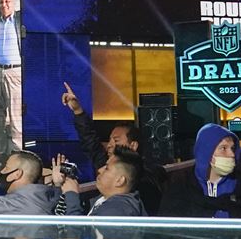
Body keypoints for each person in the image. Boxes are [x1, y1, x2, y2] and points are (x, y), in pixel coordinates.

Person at [60, 82, 167, 214]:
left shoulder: (145, 182)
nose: (109, 145)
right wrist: (78, 111)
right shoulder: (112, 165)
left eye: (116, 140)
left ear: (133, 145)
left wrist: (72, 197)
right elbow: (91, 144)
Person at [158, 123, 241, 218]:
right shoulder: (181, 188)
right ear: (206, 153)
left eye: (232, 148)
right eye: (223, 148)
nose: (232, 154)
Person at [57, 147, 147, 216]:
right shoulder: (101, 200)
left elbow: (76, 234)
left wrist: (72, 196)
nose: (100, 170)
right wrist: (59, 185)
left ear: (120, 181)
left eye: (107, 168)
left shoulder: (117, 210)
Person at [0, 151, 58, 215]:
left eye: (6, 168)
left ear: (17, 174)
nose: (2, 171)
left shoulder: (12, 205)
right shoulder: (46, 198)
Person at [0, 0, 24, 150]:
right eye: (1, 2)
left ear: (14, 3)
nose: (4, 5)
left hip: (15, 71)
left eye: (7, 1)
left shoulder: (20, 19)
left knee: (16, 115)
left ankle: (18, 152)